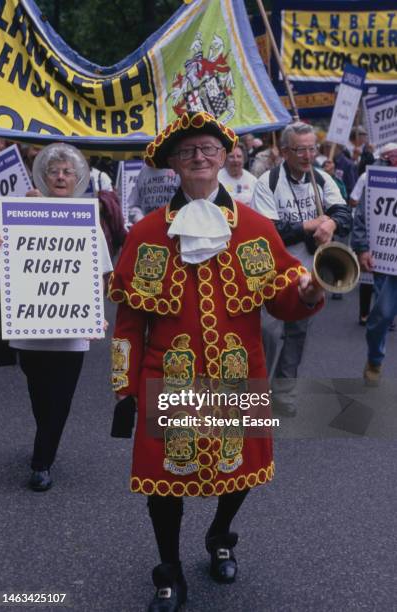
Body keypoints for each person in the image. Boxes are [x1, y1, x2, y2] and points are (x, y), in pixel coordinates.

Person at [109, 111, 324, 612]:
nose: (200, 158)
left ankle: (221, 535)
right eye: (188, 152)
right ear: (174, 165)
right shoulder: (146, 235)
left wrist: (309, 291)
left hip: (237, 372)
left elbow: (281, 300)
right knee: (165, 483)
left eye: (208, 149)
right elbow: (128, 321)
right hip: (170, 374)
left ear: (225, 156)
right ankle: (168, 570)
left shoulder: (252, 228)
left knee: (241, 471)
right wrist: (125, 387)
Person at [0, 143, 113, 491]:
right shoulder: (19, 210)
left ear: (78, 177)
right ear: (42, 175)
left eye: (67, 171)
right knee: (39, 395)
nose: (61, 177)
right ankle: (45, 440)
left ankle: (41, 462)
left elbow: (101, 272)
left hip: (71, 330)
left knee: (60, 399)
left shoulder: (85, 218)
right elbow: (3, 259)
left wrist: (97, 314)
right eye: (54, 171)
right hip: (29, 328)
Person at [251, 122, 351, 417]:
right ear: (284, 152)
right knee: (267, 335)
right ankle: (257, 395)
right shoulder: (267, 182)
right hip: (273, 275)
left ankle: (284, 395)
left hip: (310, 274)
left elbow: (344, 213)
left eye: (312, 148)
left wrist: (331, 223)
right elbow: (268, 231)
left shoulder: (322, 179)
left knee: (297, 337)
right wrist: (308, 225)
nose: (309, 155)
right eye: (301, 149)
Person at [351, 142, 397, 386]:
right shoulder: (377, 174)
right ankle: (375, 360)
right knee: (382, 316)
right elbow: (362, 215)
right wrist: (361, 247)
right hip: (388, 262)